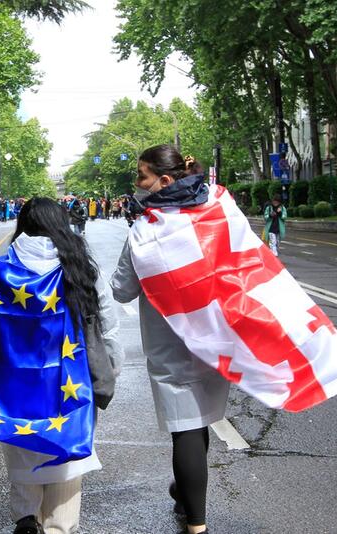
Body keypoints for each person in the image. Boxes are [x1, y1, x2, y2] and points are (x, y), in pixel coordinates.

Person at [0, 197, 122, 534]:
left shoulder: (2, 269)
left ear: (22, 224)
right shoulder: (79, 268)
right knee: (66, 461)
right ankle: (58, 526)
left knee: (22, 446)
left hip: (14, 389)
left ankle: (26, 517)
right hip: (71, 386)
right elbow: (106, 327)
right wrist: (111, 369)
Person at [111, 147, 226, 534]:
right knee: (201, 418)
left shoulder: (145, 230)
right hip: (214, 337)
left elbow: (121, 290)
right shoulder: (214, 216)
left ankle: (196, 523)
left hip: (170, 346)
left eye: (142, 176)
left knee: (187, 427)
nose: (137, 183)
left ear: (165, 181)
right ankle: (185, 492)